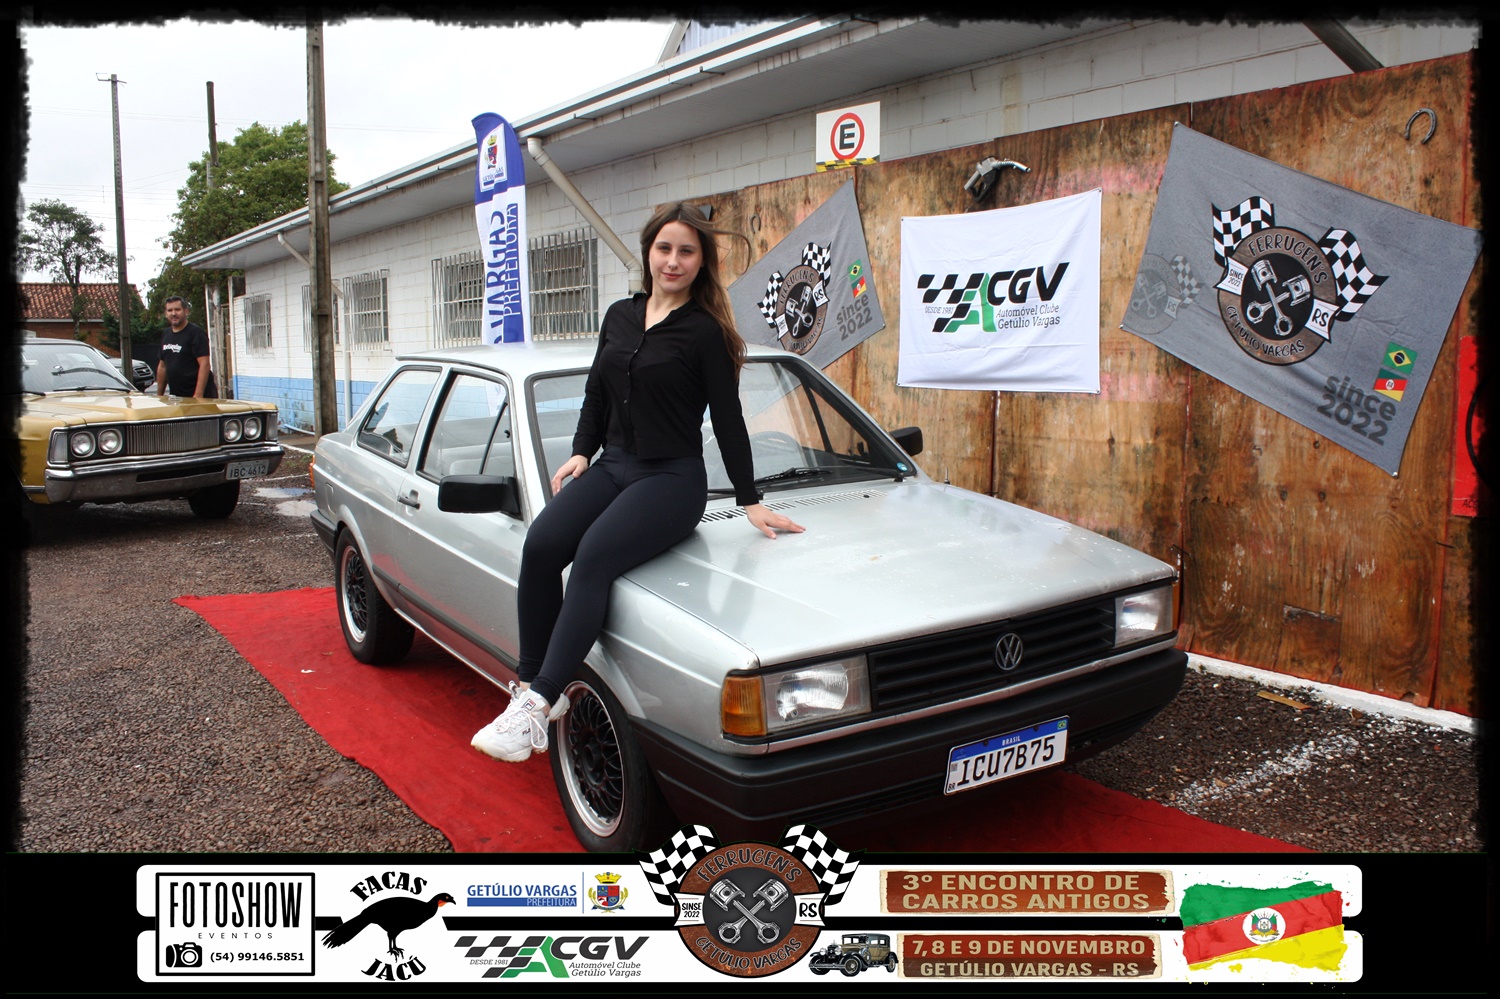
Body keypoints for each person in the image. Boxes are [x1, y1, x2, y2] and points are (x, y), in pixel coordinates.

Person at [472, 202, 805, 763]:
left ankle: (540, 702)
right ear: (648, 252)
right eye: (664, 248)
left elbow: (728, 420)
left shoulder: (705, 333)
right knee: (542, 544)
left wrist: (750, 500)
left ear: (702, 262)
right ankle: (530, 688)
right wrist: (582, 451)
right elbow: (596, 393)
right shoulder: (619, 316)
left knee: (593, 557)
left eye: (686, 251)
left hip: (672, 478)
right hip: (613, 465)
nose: (673, 260)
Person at [156, 296, 218, 398]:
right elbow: (162, 367)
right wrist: (159, 395)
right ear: (165, 313)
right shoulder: (166, 334)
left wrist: (198, 395)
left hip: (198, 396)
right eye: (170, 310)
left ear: (186, 311)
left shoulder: (195, 333)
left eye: (177, 309)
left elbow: (205, 365)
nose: (173, 313)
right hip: (177, 397)